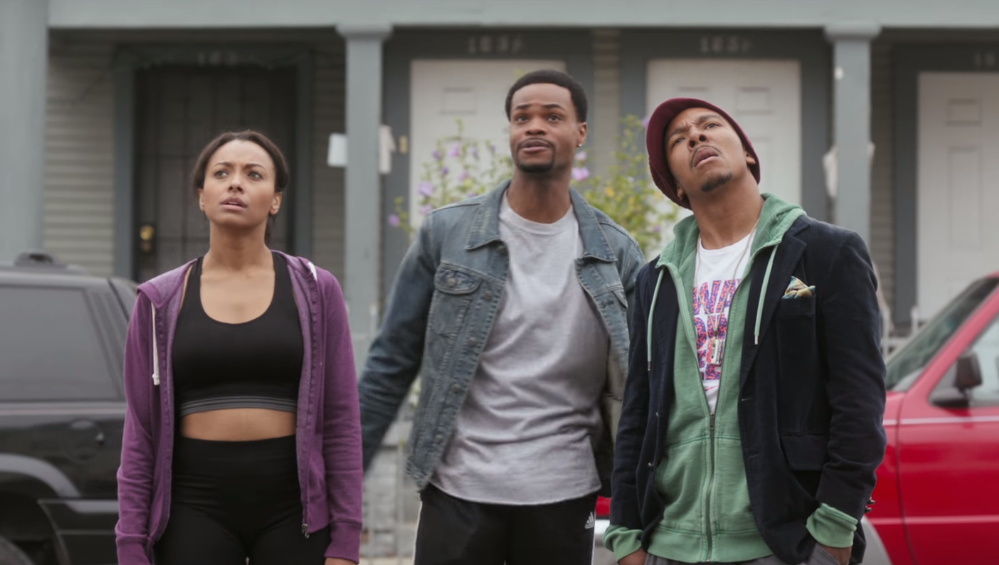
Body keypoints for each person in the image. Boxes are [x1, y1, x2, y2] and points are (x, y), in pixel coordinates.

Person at [358, 69, 643, 565]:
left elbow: (645, 384)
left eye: (552, 116)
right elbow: (390, 364)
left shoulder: (616, 251)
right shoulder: (446, 234)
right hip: (457, 489)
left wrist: (641, 501)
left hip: (564, 492)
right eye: (521, 117)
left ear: (580, 132)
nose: (534, 126)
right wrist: (342, 480)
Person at [604, 98, 886, 565]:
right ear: (674, 183)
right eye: (678, 140)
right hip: (669, 544)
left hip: (785, 542)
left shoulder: (826, 253)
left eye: (710, 125)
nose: (696, 136)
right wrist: (627, 533)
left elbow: (859, 401)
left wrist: (836, 524)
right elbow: (638, 410)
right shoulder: (655, 281)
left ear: (749, 154)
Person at [115, 130, 363, 565]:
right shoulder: (159, 301)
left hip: (295, 510)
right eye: (221, 173)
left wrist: (345, 540)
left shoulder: (316, 291)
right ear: (201, 195)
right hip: (192, 507)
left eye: (254, 174)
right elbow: (141, 433)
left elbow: (341, 419)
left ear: (275, 200)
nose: (235, 183)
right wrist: (131, 543)